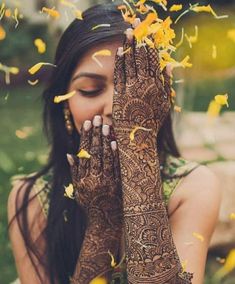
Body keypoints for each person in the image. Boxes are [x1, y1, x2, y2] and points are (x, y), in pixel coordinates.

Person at [7, 3, 222, 284]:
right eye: (90, 90)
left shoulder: (192, 187)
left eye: (132, 90)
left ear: (160, 99)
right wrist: (101, 225)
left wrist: (138, 149)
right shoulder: (32, 199)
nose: (115, 108)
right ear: (64, 105)